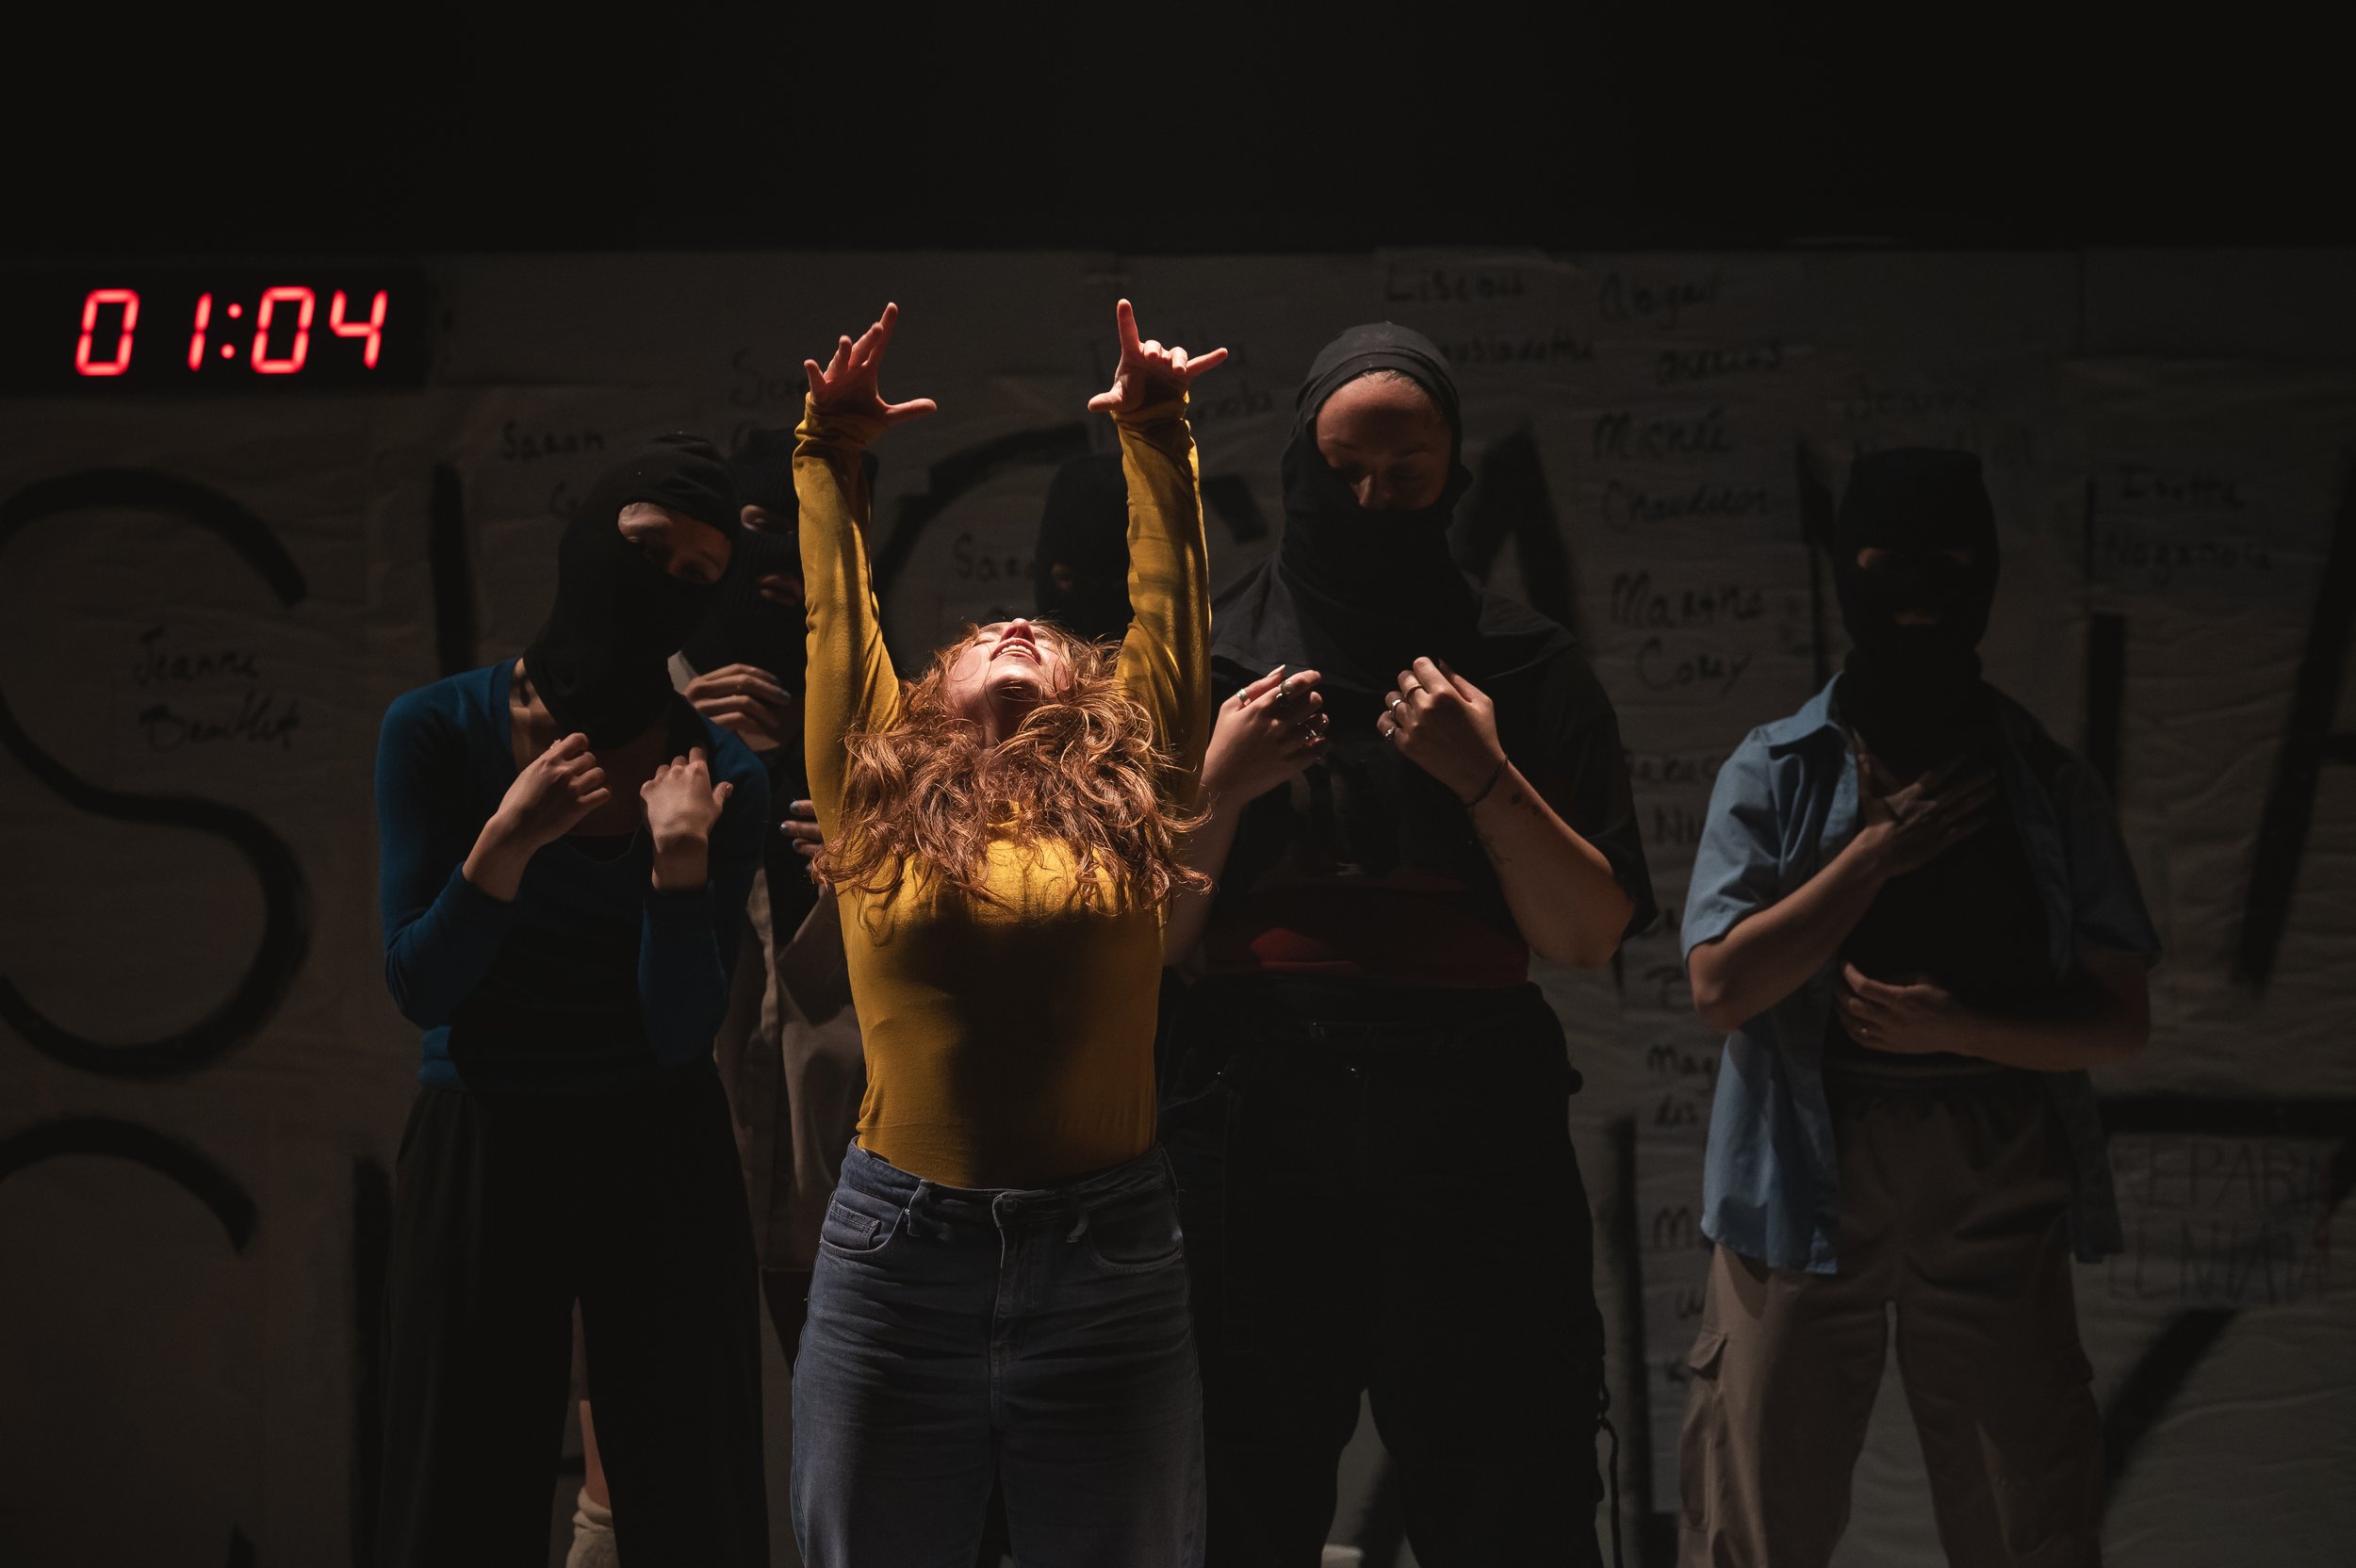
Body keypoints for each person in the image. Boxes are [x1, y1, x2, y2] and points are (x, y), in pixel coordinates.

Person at [1158, 322, 1653, 1567]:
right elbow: (1145, 948)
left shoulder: (1523, 665)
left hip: (1472, 1124)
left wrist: (1484, 777)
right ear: (1300, 468)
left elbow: (1587, 931)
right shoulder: (1211, 659)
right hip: (1250, 1111)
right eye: (1348, 472)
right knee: (1233, 1496)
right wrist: (1219, 789)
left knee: (1512, 1500)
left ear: (1452, 474)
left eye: (1409, 474)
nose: (1375, 500)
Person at [788, 300, 1220, 1566]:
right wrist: (830, 450)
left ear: (1093, 699)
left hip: (1108, 1260)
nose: (1016, 627)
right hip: (897, 1261)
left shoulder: (1135, 794)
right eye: (984, 635)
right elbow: (832, 616)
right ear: (933, 696)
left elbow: (1174, 611)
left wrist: (1155, 428)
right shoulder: (872, 792)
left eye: (1039, 631)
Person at [1677, 449, 2159, 1568]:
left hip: (1992, 1169)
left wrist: (1961, 1027)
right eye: (1886, 560)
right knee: (1757, 1522)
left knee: (2028, 1515)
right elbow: (1720, 987)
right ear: (1845, 568)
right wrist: (1875, 857)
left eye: (1947, 561)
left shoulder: (2042, 778)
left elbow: (2118, 1017)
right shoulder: (1778, 768)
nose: (1917, 588)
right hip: (1798, 1176)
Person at [372, 436, 771, 1566]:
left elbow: (678, 1030)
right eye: (648, 550)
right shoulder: (439, 727)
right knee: (460, 1468)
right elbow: (420, 983)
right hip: (486, 1128)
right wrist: (507, 837)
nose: (668, 585)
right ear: (593, 541)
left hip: (656, 1139)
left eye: (699, 575)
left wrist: (680, 872)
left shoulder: (718, 772)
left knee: (689, 1478)